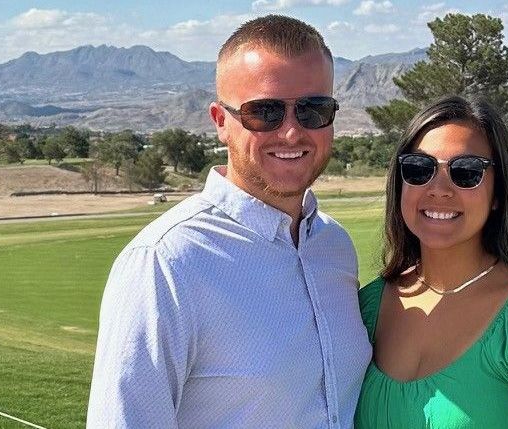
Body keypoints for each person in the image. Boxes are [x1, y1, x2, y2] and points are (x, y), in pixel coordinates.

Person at [87, 15, 371, 428]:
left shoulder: (333, 246)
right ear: (221, 121)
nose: (292, 133)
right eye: (265, 112)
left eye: (313, 109)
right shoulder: (166, 263)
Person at [354, 95, 508, 428]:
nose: (439, 189)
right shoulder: (369, 308)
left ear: (498, 192)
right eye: (418, 169)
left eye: (467, 172)